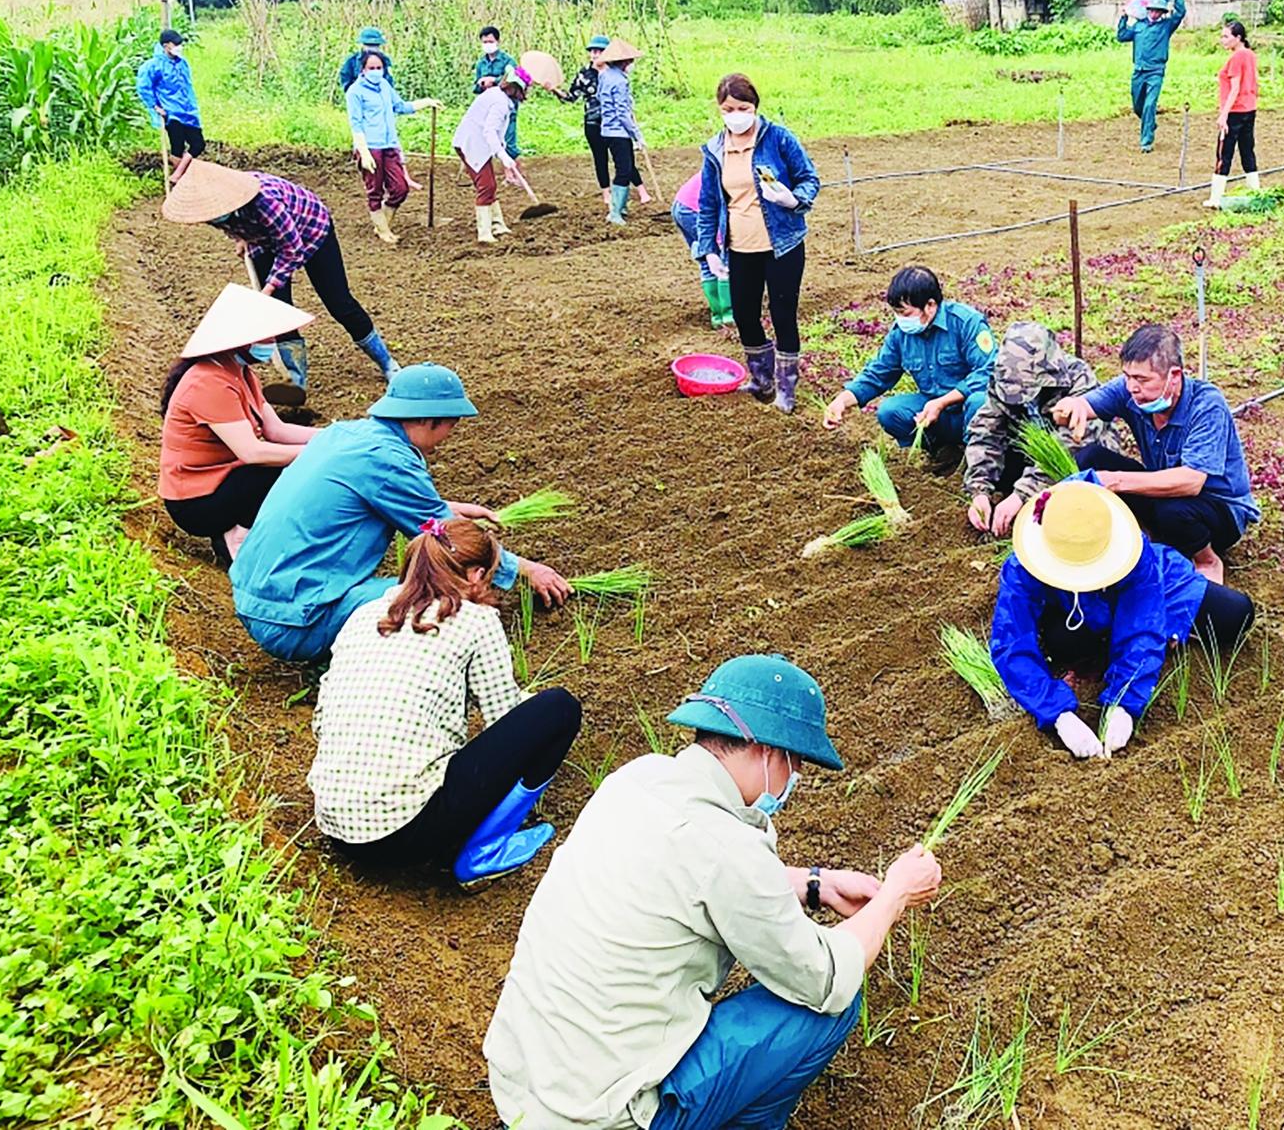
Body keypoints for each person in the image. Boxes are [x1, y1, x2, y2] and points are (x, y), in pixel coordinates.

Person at [484, 653, 943, 1130]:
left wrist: (816, 884)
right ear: (768, 752)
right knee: (830, 1009)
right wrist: (895, 895)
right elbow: (825, 977)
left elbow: (691, 875)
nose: (795, 780)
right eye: (796, 763)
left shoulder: (636, 780)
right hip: (600, 1117)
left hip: (522, 1087)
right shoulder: (729, 848)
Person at [229, 363, 572, 661]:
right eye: (452, 423)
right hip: (297, 620)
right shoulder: (389, 461)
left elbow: (369, 497)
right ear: (427, 419)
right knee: (445, 599)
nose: (451, 434)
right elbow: (446, 538)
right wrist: (528, 571)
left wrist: (446, 507)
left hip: (254, 601)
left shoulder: (345, 434)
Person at [309, 518, 584, 886]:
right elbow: (501, 715)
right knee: (558, 709)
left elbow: (321, 720)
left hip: (338, 829)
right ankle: (483, 850)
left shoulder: (364, 615)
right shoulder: (476, 619)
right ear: (475, 575)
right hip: (406, 834)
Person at [989, 478, 1253, 759]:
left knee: (1234, 613)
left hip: (1145, 587)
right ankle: (1103, 650)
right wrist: (1058, 715)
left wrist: (1125, 702)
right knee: (1065, 642)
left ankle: (1135, 647)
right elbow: (1011, 643)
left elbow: (1143, 626)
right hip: (1073, 612)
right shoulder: (1024, 564)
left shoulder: (1133, 552)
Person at [161, 160, 400, 388]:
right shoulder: (212, 208)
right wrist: (243, 238)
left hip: (311, 230)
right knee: (278, 311)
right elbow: (231, 224)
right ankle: (296, 382)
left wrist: (268, 288)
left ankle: (388, 363)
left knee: (338, 302)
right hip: (264, 240)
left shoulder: (264, 201)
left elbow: (291, 250)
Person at [1052, 324, 1258, 583]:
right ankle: (1149, 535)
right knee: (1090, 458)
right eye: (1127, 376)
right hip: (1166, 491)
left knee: (1173, 512)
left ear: (1174, 376)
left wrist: (1115, 481)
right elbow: (1084, 405)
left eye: (1142, 379)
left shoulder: (1207, 405)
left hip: (1217, 509)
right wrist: (1072, 406)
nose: (1131, 387)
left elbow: (1192, 482)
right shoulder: (1130, 390)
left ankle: (1206, 559)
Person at [159, 284, 319, 565]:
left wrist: (338, 436)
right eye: (264, 336)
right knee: (279, 473)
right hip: (196, 502)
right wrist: (317, 453)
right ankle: (235, 537)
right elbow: (252, 452)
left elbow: (276, 430)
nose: (271, 342)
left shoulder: (240, 373)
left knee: (288, 467)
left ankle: (254, 532)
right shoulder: (208, 382)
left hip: (224, 482)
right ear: (239, 339)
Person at [693, 73, 820, 415]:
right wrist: (707, 249)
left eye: (743, 107)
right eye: (728, 108)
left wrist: (794, 200)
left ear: (755, 106)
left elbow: (810, 177)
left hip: (782, 244)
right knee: (745, 316)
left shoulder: (778, 138)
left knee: (782, 315)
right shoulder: (715, 150)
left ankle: (786, 389)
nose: (736, 114)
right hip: (740, 247)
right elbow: (707, 203)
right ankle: (762, 380)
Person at [822, 266, 996, 471]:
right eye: (896, 313)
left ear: (930, 305)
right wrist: (843, 400)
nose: (900, 319)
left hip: (968, 409)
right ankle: (944, 452)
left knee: (981, 401)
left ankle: (978, 463)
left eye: (905, 312)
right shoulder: (901, 335)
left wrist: (942, 402)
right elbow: (878, 373)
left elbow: (989, 370)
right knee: (890, 411)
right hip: (935, 415)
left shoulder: (966, 322)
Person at [964, 321, 1121, 537]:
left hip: (1081, 459)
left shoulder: (1077, 379)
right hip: (1031, 458)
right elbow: (986, 433)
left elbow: (1071, 445)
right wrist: (979, 490)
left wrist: (1022, 494)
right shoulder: (1003, 380)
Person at [345, 48, 438, 245]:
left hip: (389, 145)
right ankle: (384, 230)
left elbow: (400, 106)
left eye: (379, 67)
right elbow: (356, 123)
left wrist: (426, 102)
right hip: (370, 146)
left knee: (400, 188)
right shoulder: (355, 92)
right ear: (362, 69)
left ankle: (382, 223)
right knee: (375, 189)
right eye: (372, 67)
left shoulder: (385, 86)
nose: (376, 71)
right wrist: (364, 151)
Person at [452, 73, 530, 245]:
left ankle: (498, 225)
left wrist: (502, 152)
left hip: (474, 143)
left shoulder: (497, 95)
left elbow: (496, 132)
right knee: (486, 186)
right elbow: (489, 130)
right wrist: (502, 155)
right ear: (517, 89)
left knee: (489, 185)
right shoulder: (500, 103)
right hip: (472, 144)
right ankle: (485, 232)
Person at [1116, 0, 1186, 151]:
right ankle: (1150, 123)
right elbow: (1121, 36)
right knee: (1137, 106)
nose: (1154, 14)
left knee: (1150, 105)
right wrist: (1123, 18)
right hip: (1139, 71)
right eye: (1152, 10)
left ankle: (1146, 142)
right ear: (1147, 10)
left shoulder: (1166, 26)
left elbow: (1181, 12)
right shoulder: (1139, 26)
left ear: (1162, 12)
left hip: (1156, 71)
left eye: (1158, 11)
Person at [594, 39, 652, 226]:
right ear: (624, 62)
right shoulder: (619, 81)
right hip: (619, 132)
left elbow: (599, 98)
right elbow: (622, 113)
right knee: (624, 170)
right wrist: (637, 134)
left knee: (624, 167)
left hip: (607, 130)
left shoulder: (604, 75)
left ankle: (622, 206)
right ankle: (615, 212)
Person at [136, 28, 205, 181]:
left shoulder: (182, 63)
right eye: (176, 45)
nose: (179, 48)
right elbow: (143, 87)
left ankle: (178, 174)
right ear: (166, 46)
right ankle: (182, 181)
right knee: (177, 147)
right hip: (171, 112)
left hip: (188, 110)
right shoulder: (153, 66)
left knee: (198, 144)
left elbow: (187, 86)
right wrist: (154, 106)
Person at [1206, 19, 1259, 208]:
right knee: (1247, 150)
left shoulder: (1236, 57)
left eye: (1226, 36)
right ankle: (1255, 192)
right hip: (1249, 108)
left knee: (1224, 153)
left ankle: (1215, 197)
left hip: (1235, 111)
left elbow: (1234, 88)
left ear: (1238, 38)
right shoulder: (1251, 55)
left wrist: (1224, 114)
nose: (1223, 40)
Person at [672, 168, 731, 327]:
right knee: (724, 257)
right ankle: (729, 315)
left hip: (683, 204)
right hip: (697, 209)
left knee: (707, 259)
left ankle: (718, 317)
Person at [557, 33, 613, 190]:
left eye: (599, 51)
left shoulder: (614, 72)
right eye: (593, 51)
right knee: (600, 158)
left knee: (621, 157)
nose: (595, 54)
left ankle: (627, 190)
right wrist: (554, 90)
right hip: (593, 122)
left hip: (613, 121)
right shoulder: (584, 74)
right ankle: (606, 193)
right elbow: (571, 96)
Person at [474, 25, 524, 161]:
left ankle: (512, 168)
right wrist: (481, 84)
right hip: (488, 104)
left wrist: (494, 81)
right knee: (488, 134)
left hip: (507, 104)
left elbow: (515, 81)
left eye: (490, 42)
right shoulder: (481, 64)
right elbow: (475, 87)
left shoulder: (508, 61)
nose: (487, 45)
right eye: (484, 42)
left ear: (497, 41)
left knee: (508, 136)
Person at [339, 25, 398, 95]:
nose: (372, 48)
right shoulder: (352, 61)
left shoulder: (385, 60)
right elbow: (345, 79)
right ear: (363, 45)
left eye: (375, 45)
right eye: (369, 45)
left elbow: (389, 81)